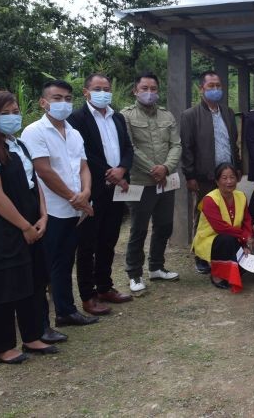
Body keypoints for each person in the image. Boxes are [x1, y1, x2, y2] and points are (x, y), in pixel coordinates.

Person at [0, 91, 57, 363]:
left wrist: (43, 215)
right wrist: (24, 226)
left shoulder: (18, 144)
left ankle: (32, 336)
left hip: (32, 223)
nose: (12, 117)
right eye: (4, 113)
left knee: (31, 282)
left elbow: (34, 182)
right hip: (4, 230)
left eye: (14, 111)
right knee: (3, 288)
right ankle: (2, 347)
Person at [21, 80, 97, 331]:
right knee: (47, 267)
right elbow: (43, 170)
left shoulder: (74, 132)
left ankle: (65, 311)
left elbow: (83, 166)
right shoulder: (34, 132)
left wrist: (85, 193)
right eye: (56, 98)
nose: (63, 103)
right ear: (43, 102)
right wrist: (73, 197)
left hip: (75, 209)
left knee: (65, 262)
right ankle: (40, 323)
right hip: (51, 210)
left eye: (67, 98)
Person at [68, 73, 134, 316]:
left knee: (109, 238)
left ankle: (105, 286)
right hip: (92, 187)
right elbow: (82, 152)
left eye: (107, 88)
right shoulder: (77, 118)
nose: (103, 92)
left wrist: (123, 169)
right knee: (87, 243)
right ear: (86, 91)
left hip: (116, 188)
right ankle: (88, 294)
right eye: (98, 88)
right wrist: (109, 172)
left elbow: (127, 147)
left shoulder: (116, 116)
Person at [121, 72, 182, 292]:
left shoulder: (167, 116)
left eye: (153, 89)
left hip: (166, 181)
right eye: (144, 88)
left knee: (164, 225)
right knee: (138, 228)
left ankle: (157, 267)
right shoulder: (125, 116)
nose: (149, 93)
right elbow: (129, 147)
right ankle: (134, 273)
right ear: (135, 90)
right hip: (139, 181)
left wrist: (165, 167)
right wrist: (153, 169)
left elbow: (177, 145)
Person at [180, 70, 240, 275]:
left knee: (228, 214)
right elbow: (186, 148)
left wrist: (237, 168)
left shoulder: (228, 113)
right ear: (201, 89)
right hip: (204, 176)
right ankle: (201, 255)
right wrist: (189, 175)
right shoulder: (190, 115)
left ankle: (225, 250)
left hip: (228, 175)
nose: (215, 90)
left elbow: (234, 143)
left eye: (218, 86)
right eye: (211, 86)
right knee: (204, 215)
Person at [191, 163, 254, 293]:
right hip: (212, 240)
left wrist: (247, 240)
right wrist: (243, 238)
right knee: (226, 239)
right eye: (224, 178)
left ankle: (229, 271)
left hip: (234, 237)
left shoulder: (241, 196)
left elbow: (247, 220)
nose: (229, 181)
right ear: (217, 181)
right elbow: (221, 228)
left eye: (232, 177)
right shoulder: (210, 199)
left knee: (246, 266)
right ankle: (217, 275)